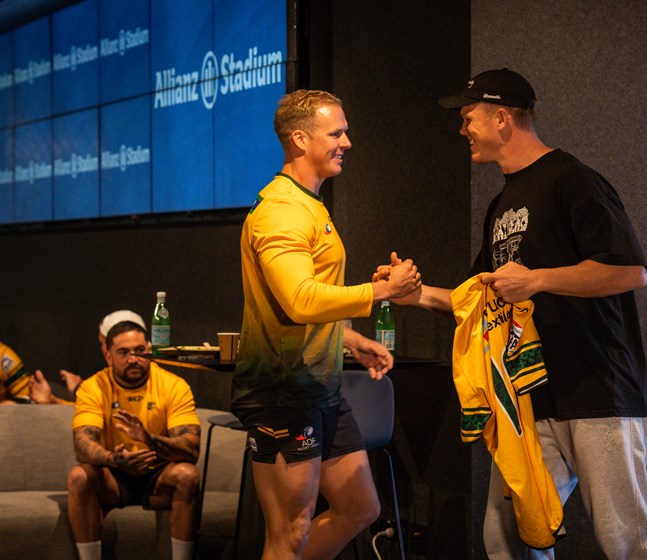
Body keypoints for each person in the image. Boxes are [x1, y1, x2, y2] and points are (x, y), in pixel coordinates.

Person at [378, 68, 647, 559]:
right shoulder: (501, 203)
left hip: (597, 391)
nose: (461, 130)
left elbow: (629, 272)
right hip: (532, 398)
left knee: (627, 543)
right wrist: (418, 294)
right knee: (509, 535)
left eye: (468, 118)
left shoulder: (573, 180)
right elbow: (482, 296)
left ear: (502, 118)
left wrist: (536, 279)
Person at [230, 88, 421, 560]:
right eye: (336, 133)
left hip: (320, 388)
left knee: (360, 507)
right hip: (282, 395)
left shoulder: (310, 204)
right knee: (289, 532)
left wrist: (348, 337)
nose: (347, 142)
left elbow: (306, 304)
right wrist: (382, 292)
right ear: (299, 139)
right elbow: (298, 301)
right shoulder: (282, 212)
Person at [67, 320, 201, 560]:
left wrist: (150, 440)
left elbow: (192, 449)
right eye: (124, 352)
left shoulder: (174, 385)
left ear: (149, 348)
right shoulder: (92, 387)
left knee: (188, 475)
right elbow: (82, 446)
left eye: (140, 351)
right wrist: (114, 459)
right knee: (79, 476)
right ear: (108, 357)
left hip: (159, 477)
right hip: (113, 478)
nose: (133, 358)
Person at [27, 310, 145, 404]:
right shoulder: (100, 382)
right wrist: (52, 401)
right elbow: (90, 413)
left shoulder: (161, 382)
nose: (133, 359)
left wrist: (80, 389)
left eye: (138, 349)